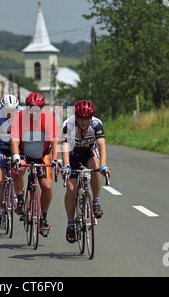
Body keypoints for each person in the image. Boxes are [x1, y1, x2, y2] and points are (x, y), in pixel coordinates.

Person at [61, 100, 111, 243]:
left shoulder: (96, 124)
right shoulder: (69, 125)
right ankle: (70, 223)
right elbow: (65, 148)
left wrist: (103, 165)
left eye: (87, 119)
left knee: (95, 165)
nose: (84, 122)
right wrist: (66, 166)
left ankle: (95, 201)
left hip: (89, 151)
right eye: (81, 119)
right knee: (71, 188)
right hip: (73, 154)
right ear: (76, 117)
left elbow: (101, 145)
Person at [10, 92, 60, 237]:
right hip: (24, 152)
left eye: (38, 109)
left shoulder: (49, 118)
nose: (34, 112)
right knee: (19, 168)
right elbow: (14, 141)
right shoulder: (19, 118)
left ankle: (43, 218)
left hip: (43, 153)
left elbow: (55, 141)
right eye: (31, 109)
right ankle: (20, 200)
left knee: (47, 186)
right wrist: (16, 157)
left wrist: (55, 160)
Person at [0, 94, 24, 228]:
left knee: (20, 169)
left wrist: (19, 155)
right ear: (2, 107)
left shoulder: (21, 112)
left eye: (12, 110)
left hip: (17, 145)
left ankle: (20, 199)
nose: (10, 113)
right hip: (1, 147)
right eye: (7, 110)